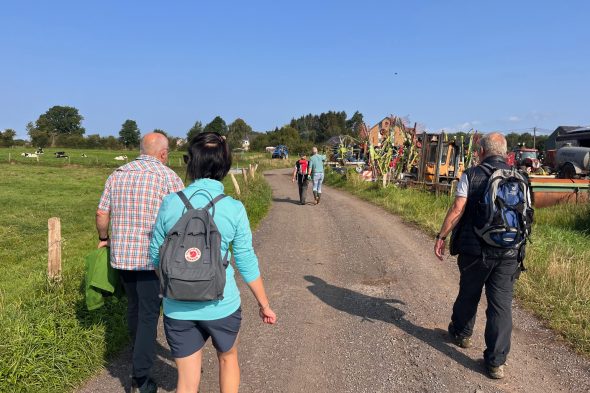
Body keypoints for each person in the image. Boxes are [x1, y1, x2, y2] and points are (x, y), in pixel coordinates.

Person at [149, 132, 277, 393]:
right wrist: (264, 304)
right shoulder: (233, 208)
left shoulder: (170, 203)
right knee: (228, 358)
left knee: (186, 382)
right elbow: (245, 261)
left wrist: (175, 286)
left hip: (178, 307)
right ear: (224, 165)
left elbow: (155, 256)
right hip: (222, 304)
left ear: (191, 163)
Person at [96, 132, 184, 393]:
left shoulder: (117, 174)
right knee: (148, 315)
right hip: (152, 259)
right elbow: (182, 217)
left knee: (134, 307)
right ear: (163, 153)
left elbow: (102, 213)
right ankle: (141, 378)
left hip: (122, 257)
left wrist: (104, 237)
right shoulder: (168, 177)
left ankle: (137, 353)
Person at [433, 132, 524, 380]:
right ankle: (496, 362)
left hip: (475, 250)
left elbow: (458, 209)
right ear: (505, 153)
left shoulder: (471, 174)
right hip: (509, 251)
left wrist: (441, 236)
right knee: (501, 305)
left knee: (469, 293)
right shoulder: (520, 177)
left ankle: (461, 334)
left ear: (482, 151)